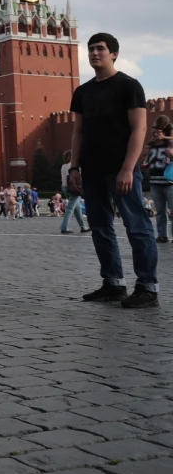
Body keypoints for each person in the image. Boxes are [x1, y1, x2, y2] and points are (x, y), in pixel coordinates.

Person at [68, 33, 159, 308]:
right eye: (91, 49)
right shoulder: (83, 92)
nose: (95, 53)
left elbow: (139, 129)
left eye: (101, 49)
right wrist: (74, 167)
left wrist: (128, 169)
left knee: (137, 226)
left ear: (114, 54)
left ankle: (147, 287)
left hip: (121, 170)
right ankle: (113, 283)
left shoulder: (129, 86)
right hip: (92, 171)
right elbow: (78, 132)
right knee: (100, 228)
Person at [144, 116, 173, 242]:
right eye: (153, 133)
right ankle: (162, 235)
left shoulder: (170, 144)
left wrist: (170, 154)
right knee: (160, 211)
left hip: (169, 182)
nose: (155, 135)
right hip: (154, 182)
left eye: (158, 132)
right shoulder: (150, 146)